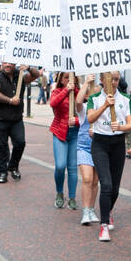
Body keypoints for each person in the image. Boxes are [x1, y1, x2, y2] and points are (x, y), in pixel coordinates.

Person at [86, 72, 131, 242]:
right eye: (109, 79)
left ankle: (108, 211)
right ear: (102, 80)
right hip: (100, 143)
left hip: (118, 144)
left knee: (114, 188)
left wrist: (121, 127)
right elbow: (90, 117)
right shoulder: (95, 98)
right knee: (105, 184)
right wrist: (105, 105)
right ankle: (104, 225)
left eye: (115, 79)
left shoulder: (126, 99)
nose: (113, 83)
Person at [0, 62, 34, 183]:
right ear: (2, 64)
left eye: (10, 63)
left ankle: (13, 166)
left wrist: (28, 67)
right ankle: (2, 172)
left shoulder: (21, 76)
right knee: (1, 146)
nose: (7, 65)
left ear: (14, 64)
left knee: (20, 143)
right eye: (5, 63)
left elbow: (36, 75)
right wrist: (9, 100)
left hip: (16, 119)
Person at [48, 71, 79, 210]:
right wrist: (67, 90)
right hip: (59, 132)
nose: (69, 80)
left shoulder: (78, 93)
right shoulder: (57, 91)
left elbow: (86, 113)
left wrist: (77, 120)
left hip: (75, 133)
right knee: (60, 166)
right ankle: (59, 192)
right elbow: (53, 104)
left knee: (72, 167)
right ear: (61, 80)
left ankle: (72, 197)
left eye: (71, 78)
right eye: (66, 78)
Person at [75, 75, 99, 224]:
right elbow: (77, 101)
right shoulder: (83, 109)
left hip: (99, 147)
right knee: (87, 179)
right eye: (93, 95)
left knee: (96, 181)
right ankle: (85, 211)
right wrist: (86, 83)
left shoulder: (103, 111)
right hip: (84, 147)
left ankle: (91, 209)